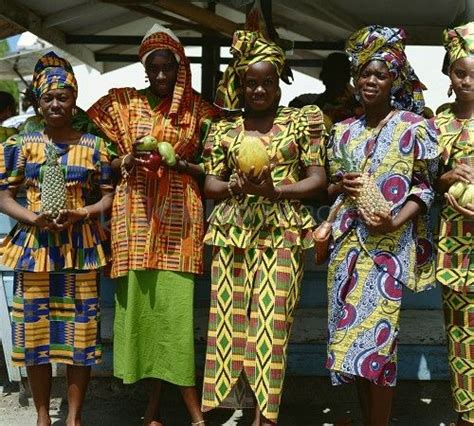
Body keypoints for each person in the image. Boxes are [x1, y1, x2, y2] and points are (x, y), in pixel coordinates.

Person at [87, 24, 219, 426]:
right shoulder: (122, 105)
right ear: (145, 68)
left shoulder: (200, 111)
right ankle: (151, 409)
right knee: (143, 315)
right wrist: (124, 161)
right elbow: (102, 157)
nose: (161, 76)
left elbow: (214, 167)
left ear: (181, 67)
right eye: (154, 68)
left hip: (180, 223)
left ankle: (192, 413)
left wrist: (180, 163)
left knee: (174, 317)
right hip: (135, 220)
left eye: (168, 68)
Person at [201, 30, 327, 425]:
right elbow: (210, 184)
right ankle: (241, 406)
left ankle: (265, 418)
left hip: (283, 233)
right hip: (232, 234)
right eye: (250, 82)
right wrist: (232, 185)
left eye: (266, 82)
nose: (258, 89)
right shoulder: (223, 128)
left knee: (272, 328)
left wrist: (277, 191)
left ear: (279, 82)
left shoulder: (303, 121)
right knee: (231, 323)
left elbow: (318, 180)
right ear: (240, 85)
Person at [325, 26, 438, 425]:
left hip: (388, 253)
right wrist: (342, 185)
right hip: (347, 251)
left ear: (395, 79)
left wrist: (394, 218)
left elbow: (424, 190)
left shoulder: (413, 127)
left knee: (379, 348)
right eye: (365, 74)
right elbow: (334, 187)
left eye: (381, 74)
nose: (371, 81)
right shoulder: (342, 132)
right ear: (355, 79)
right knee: (347, 348)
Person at [0, 51, 114, 426]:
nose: (54, 104)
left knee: (80, 336)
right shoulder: (19, 145)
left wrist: (81, 213)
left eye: (62, 97)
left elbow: (108, 195)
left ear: (73, 100)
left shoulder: (94, 147)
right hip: (33, 251)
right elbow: (3, 196)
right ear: (36, 100)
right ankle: (41, 416)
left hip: (79, 248)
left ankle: (74, 417)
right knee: (34, 336)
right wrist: (35, 218)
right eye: (47, 97)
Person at [434, 22, 474, 426]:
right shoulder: (439, 122)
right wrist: (449, 177)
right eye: (460, 72)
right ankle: (467, 417)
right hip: (455, 251)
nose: (466, 81)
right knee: (461, 343)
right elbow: (428, 179)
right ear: (449, 74)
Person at [288, 52, 361, 124]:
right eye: (332, 76)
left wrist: (355, 104)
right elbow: (292, 112)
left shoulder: (357, 104)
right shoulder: (305, 101)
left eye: (340, 77)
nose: (335, 82)